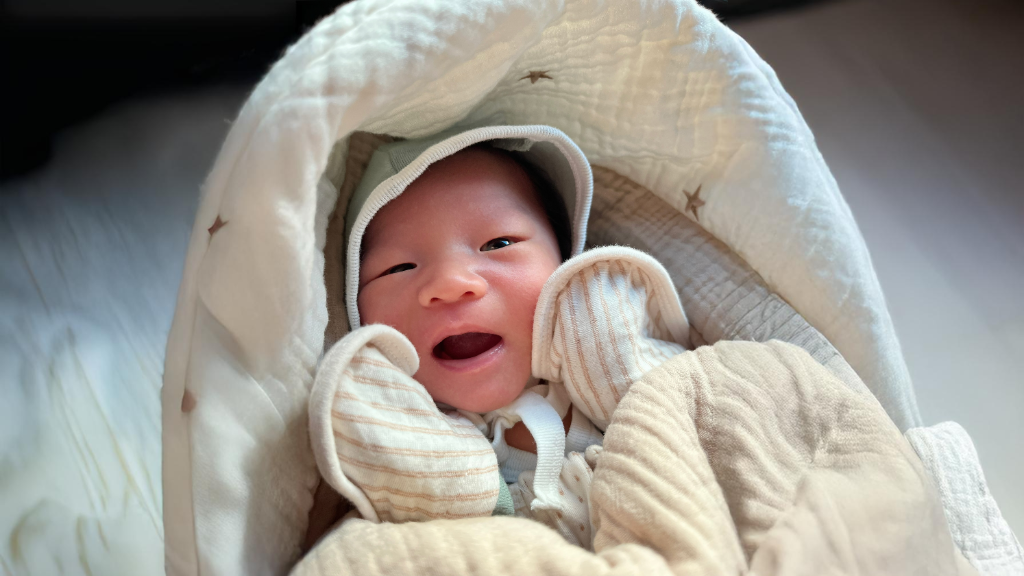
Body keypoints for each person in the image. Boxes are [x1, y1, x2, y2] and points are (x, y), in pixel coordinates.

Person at [310, 124, 689, 549]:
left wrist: (615, 363)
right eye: (398, 268)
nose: (451, 284)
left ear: (566, 262)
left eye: (498, 243)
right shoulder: (408, 457)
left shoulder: (627, 385)